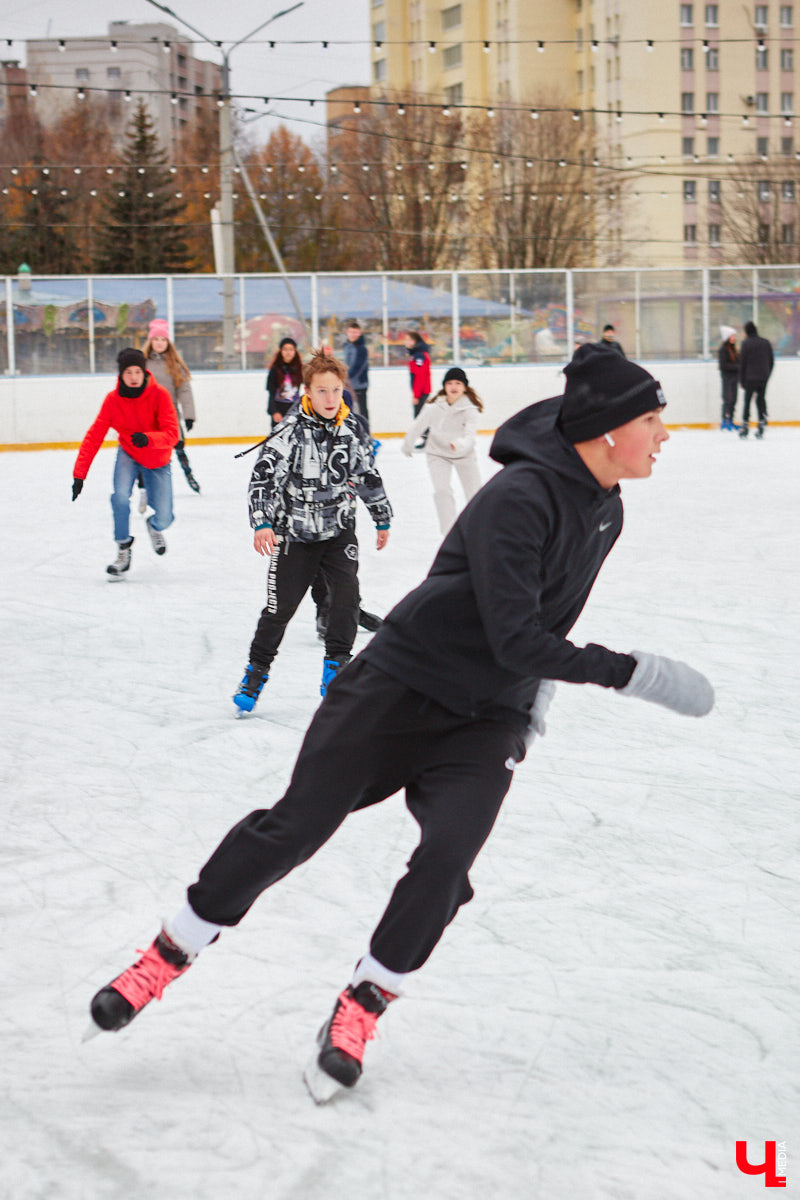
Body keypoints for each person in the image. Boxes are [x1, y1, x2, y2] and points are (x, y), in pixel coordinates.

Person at [89, 349, 715, 1101]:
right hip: (399, 686)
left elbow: (545, 623)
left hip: (485, 719)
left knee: (448, 858)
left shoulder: (606, 508)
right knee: (298, 825)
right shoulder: (521, 498)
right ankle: (170, 950)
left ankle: (365, 1000)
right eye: (653, 420)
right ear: (609, 432)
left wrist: (532, 701)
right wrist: (632, 671)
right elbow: (518, 636)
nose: (663, 434)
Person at [231, 348, 392, 712]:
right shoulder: (289, 431)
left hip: (338, 529)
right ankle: (256, 672)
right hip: (296, 536)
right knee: (279, 609)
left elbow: (366, 475)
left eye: (335, 390)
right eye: (322, 391)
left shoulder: (352, 428)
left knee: (347, 597)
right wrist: (262, 521)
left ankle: (336, 667)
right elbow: (263, 478)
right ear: (307, 392)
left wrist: (381, 516)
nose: (330, 398)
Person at [71, 348, 179, 578]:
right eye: (128, 372)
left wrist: (149, 438)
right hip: (129, 454)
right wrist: (79, 475)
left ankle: (154, 526)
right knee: (119, 497)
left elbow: (172, 434)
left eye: (137, 371)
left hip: (157, 458)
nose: (133, 376)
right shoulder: (113, 400)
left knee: (166, 516)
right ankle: (123, 549)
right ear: (121, 374)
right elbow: (94, 436)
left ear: (144, 372)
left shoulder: (160, 395)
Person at [401, 366, 483, 535]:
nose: (454, 386)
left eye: (458, 383)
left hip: (464, 455)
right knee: (442, 491)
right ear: (444, 386)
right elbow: (419, 424)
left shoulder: (470, 410)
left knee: (474, 494)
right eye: (450, 383)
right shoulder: (434, 406)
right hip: (437, 453)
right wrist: (408, 443)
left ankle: (478, 529)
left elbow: (470, 437)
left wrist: (459, 444)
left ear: (465, 387)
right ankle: (449, 532)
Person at [144, 319, 200, 493]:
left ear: (168, 342)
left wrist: (189, 415)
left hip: (170, 415)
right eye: (156, 339)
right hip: (147, 415)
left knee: (179, 446)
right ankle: (146, 483)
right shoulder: (142, 363)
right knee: (149, 451)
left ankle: (189, 474)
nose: (159, 343)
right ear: (150, 342)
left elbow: (184, 390)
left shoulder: (174, 365)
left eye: (163, 339)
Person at [738, 320, 773, 439]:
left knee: (747, 401)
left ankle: (745, 424)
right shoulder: (766, 342)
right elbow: (771, 360)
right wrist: (767, 375)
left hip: (750, 377)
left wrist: (741, 380)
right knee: (761, 399)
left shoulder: (746, 344)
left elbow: (742, 363)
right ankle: (762, 421)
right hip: (763, 377)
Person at [266, 337, 304, 427]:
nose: (288, 352)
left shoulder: (299, 369)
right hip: (279, 409)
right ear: (281, 351)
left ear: (295, 351)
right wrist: (274, 411)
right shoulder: (275, 369)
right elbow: (271, 392)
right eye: (285, 349)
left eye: (291, 349)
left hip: (294, 410)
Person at [341, 320, 370, 428]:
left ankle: (366, 433)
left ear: (359, 333)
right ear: (347, 332)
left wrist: (345, 377)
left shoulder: (361, 348)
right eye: (351, 332)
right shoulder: (347, 346)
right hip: (348, 385)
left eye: (355, 332)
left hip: (359, 384)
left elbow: (357, 366)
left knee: (361, 409)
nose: (353, 335)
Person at [402, 330, 432, 419]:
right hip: (421, 391)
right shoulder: (416, 354)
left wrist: (416, 396)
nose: (405, 342)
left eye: (407, 339)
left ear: (413, 341)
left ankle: (424, 433)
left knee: (419, 418)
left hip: (422, 391)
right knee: (420, 417)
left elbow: (419, 376)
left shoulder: (419, 356)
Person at [717, 325, 740, 431]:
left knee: (734, 399)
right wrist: (737, 367)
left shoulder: (733, 349)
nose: (734, 338)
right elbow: (723, 365)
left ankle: (730, 419)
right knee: (728, 399)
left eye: (734, 336)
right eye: (732, 336)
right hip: (727, 378)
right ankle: (725, 421)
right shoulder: (723, 350)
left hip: (734, 378)